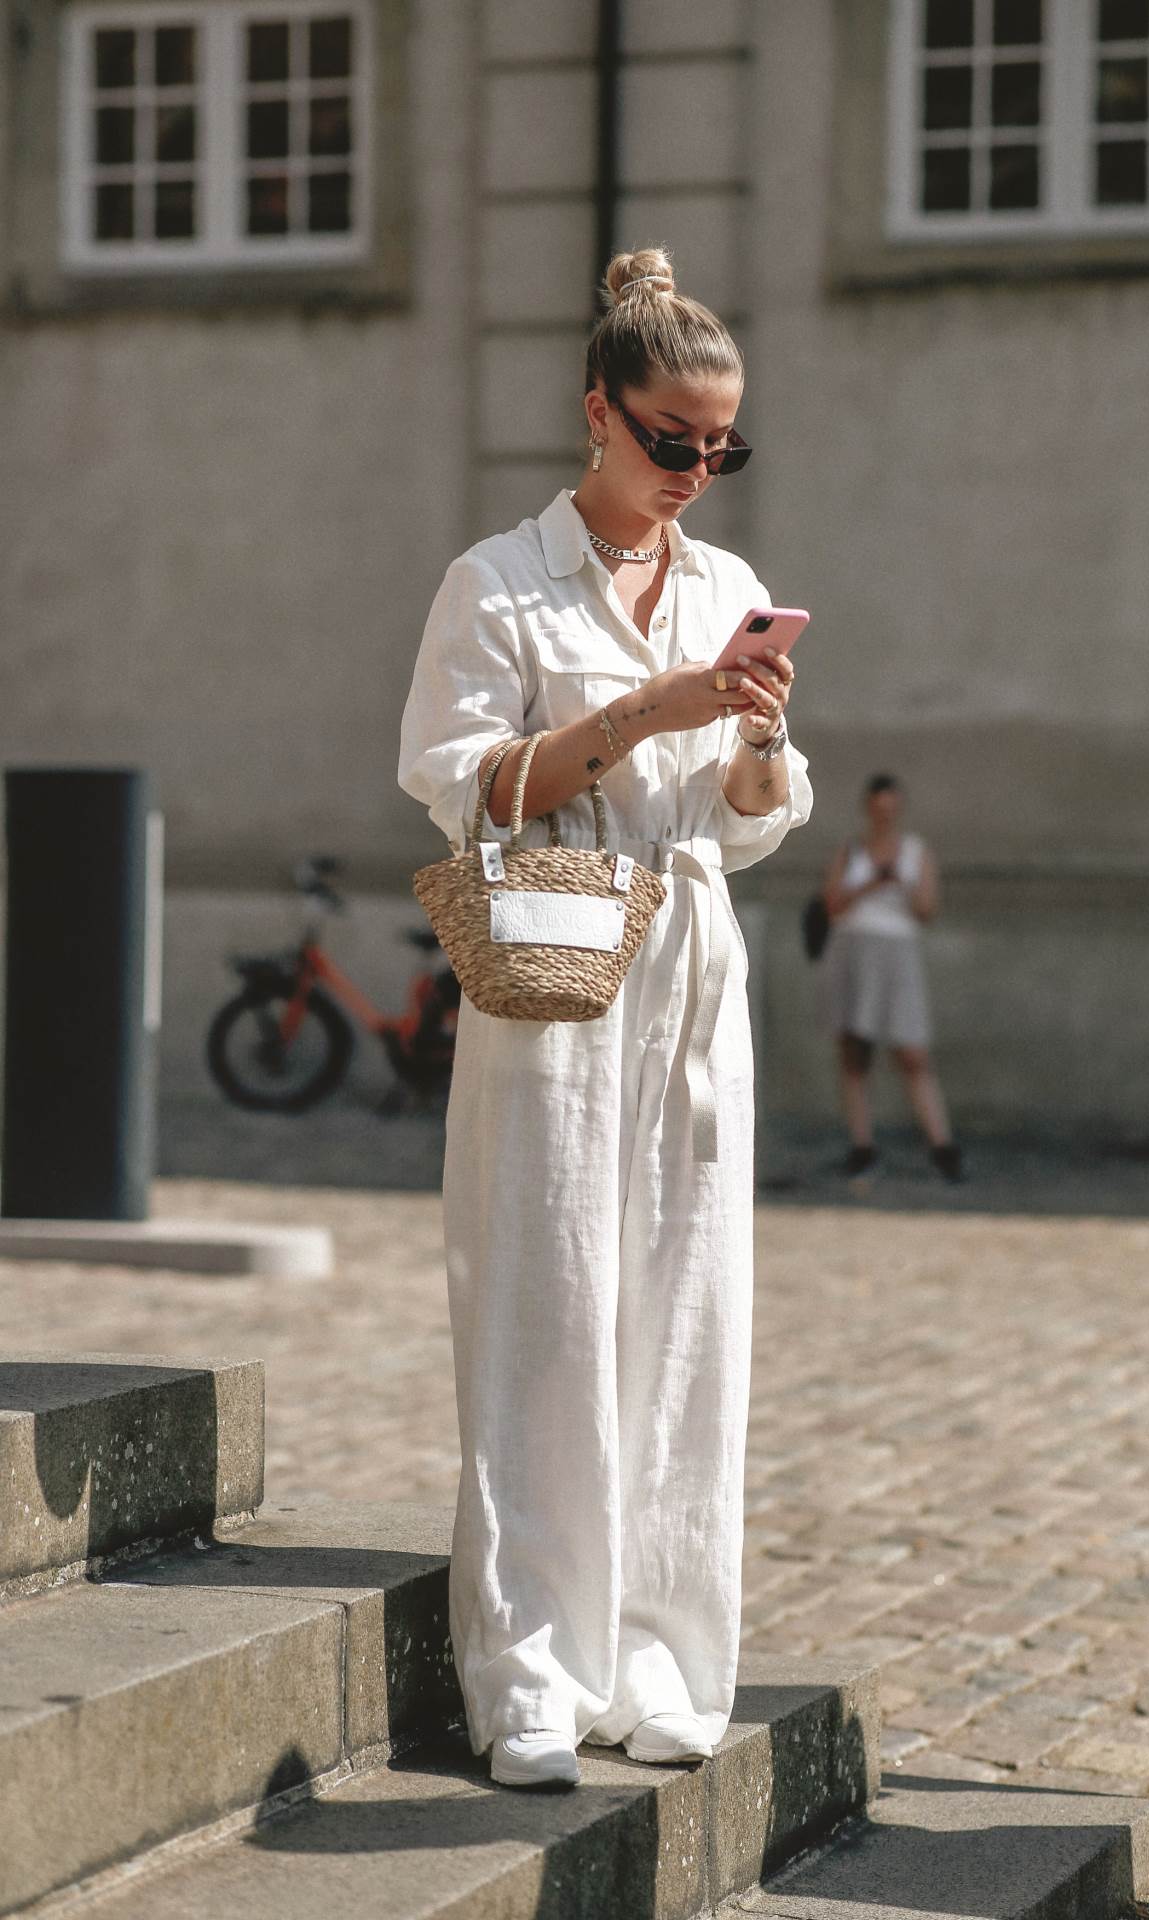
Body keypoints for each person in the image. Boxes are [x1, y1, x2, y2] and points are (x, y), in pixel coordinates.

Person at [399, 247, 812, 1790]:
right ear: (598, 413)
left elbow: (755, 820)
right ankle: (530, 1676)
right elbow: (464, 785)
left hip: (694, 972)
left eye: (724, 446)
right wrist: (645, 710)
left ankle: (663, 1657)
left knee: (690, 1324)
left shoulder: (724, 588)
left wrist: (759, 747)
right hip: (555, 969)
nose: (698, 473)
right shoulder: (496, 579)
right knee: (545, 1312)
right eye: (671, 441)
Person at [823, 774, 963, 1182]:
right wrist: (870, 883)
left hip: (897, 952)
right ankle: (862, 1144)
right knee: (854, 1051)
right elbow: (831, 903)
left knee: (912, 1052)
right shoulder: (851, 851)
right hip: (853, 950)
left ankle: (941, 1144)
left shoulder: (915, 851)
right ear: (868, 808)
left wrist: (898, 881)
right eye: (877, 808)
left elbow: (927, 908)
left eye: (890, 809)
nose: (884, 816)